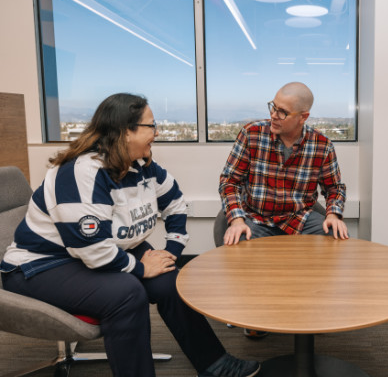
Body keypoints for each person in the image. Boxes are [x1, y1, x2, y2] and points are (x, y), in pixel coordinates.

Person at [0, 93, 260, 377]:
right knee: (126, 293)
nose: (156, 133)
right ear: (125, 131)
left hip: (103, 252)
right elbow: (91, 248)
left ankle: (214, 364)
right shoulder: (80, 172)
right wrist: (139, 268)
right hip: (42, 266)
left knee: (171, 280)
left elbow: (175, 204)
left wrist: (171, 252)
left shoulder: (141, 166)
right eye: (151, 126)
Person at [218, 81, 349, 245]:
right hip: (257, 219)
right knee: (238, 243)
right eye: (273, 107)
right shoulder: (251, 134)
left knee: (336, 236)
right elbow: (229, 181)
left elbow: (334, 188)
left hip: (300, 219)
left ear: (303, 117)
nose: (273, 115)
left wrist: (333, 216)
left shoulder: (322, 145)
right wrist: (237, 221)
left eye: (282, 112)